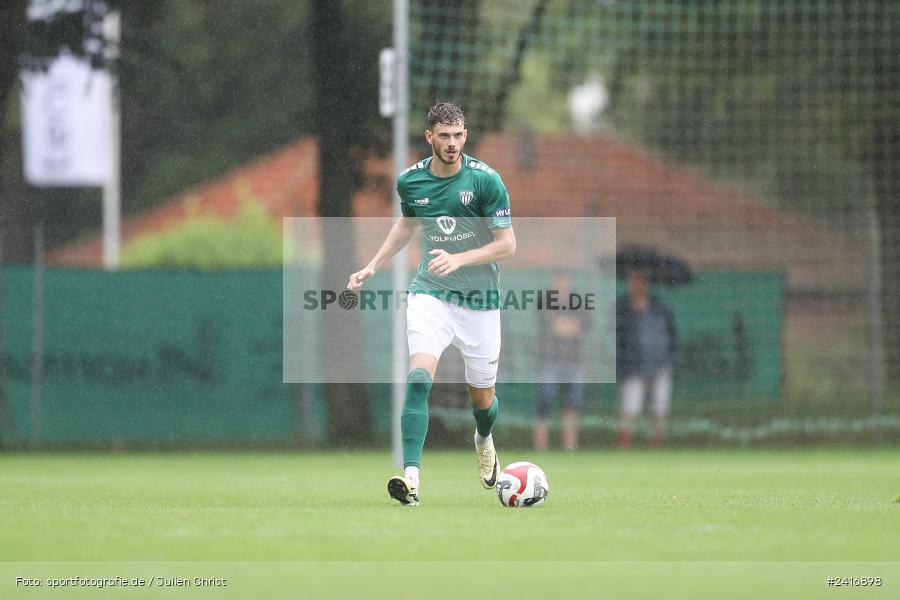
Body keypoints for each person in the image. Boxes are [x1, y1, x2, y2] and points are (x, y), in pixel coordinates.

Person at [347, 102, 516, 506]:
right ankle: (411, 479)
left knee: (483, 404)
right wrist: (372, 266)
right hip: (430, 294)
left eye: (459, 135)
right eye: (444, 135)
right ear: (429, 137)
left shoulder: (486, 181)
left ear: (465, 135)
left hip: (481, 303)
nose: (453, 143)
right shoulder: (411, 182)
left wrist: (459, 257)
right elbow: (407, 224)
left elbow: (507, 244)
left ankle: (484, 438)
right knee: (420, 378)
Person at [616, 270, 677, 448]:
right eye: (633, 281)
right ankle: (624, 445)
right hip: (633, 366)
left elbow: (672, 334)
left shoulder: (659, 306)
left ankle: (656, 445)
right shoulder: (623, 307)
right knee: (630, 407)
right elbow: (617, 335)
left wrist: (667, 357)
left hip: (659, 364)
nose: (637, 285)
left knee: (659, 408)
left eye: (641, 281)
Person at [533, 271, 591, 451]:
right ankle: (540, 448)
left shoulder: (578, 302)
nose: (562, 285)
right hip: (551, 361)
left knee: (572, 404)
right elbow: (552, 326)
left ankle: (570, 448)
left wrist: (566, 326)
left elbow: (583, 326)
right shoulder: (544, 301)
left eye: (565, 280)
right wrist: (566, 326)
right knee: (545, 402)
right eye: (559, 280)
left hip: (574, 361)